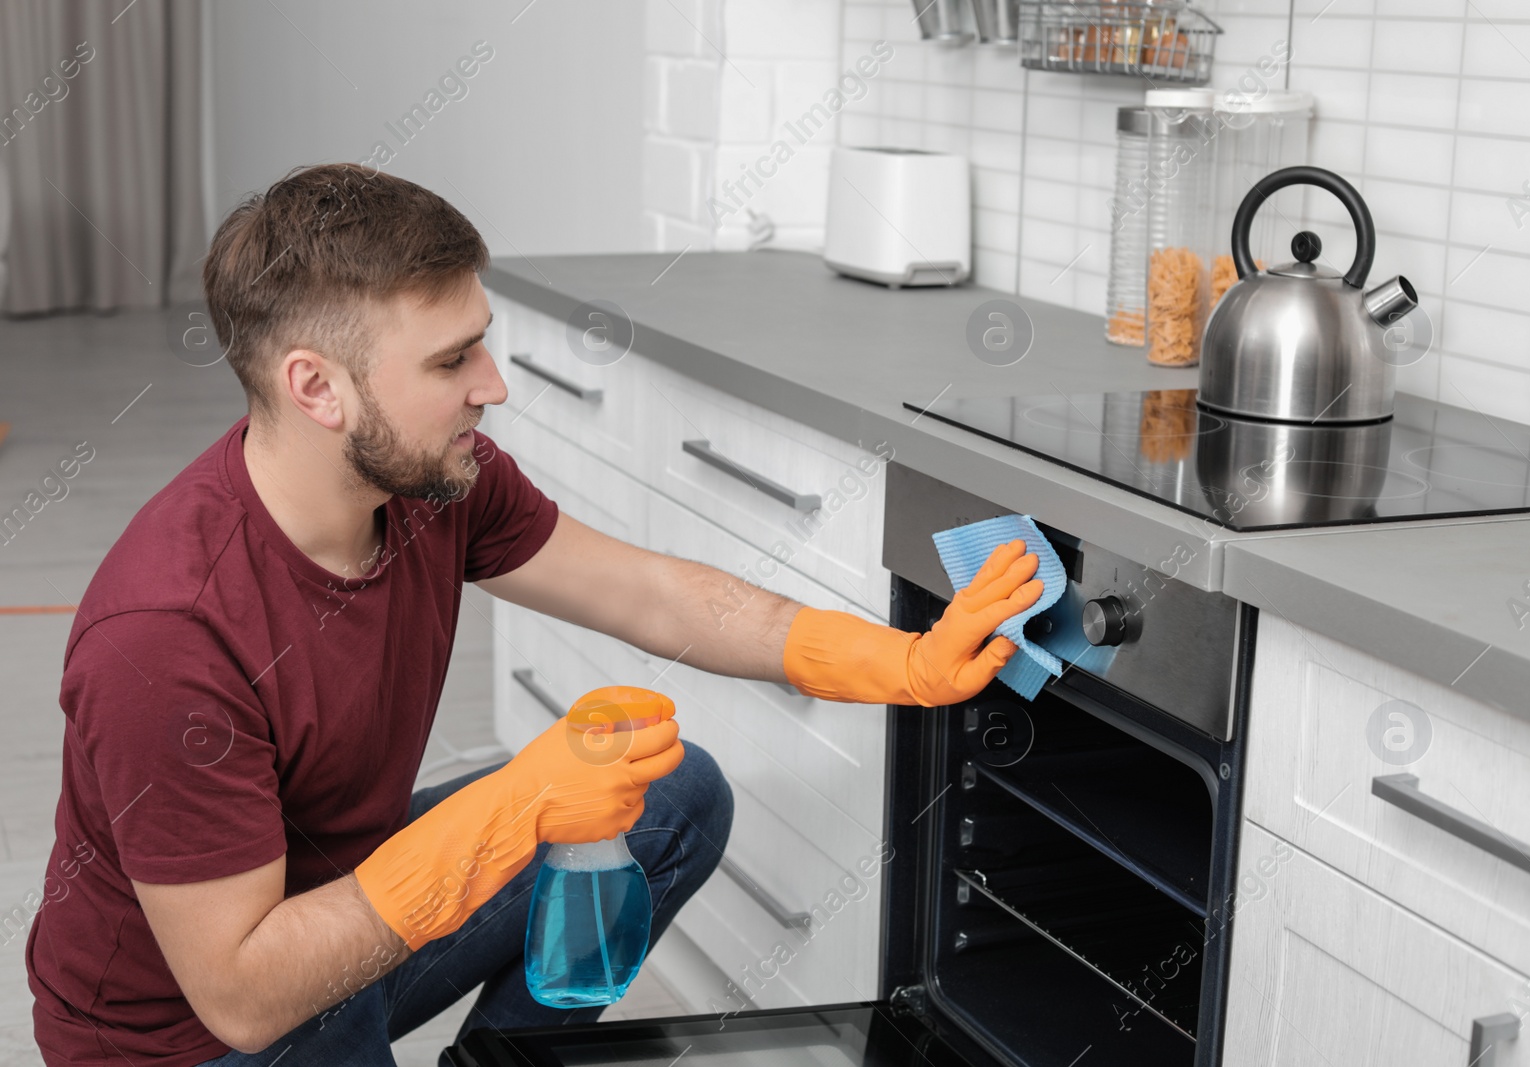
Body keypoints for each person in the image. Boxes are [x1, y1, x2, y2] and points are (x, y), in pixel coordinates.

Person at [24, 163, 1043, 1067]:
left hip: (343, 916)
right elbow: (245, 996)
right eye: (450, 361)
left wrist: (897, 658)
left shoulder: (432, 486)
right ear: (315, 388)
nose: (493, 386)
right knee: (317, 1006)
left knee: (671, 795)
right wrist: (517, 810)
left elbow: (651, 592)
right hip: (195, 1032)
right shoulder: (165, 639)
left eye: (483, 345)